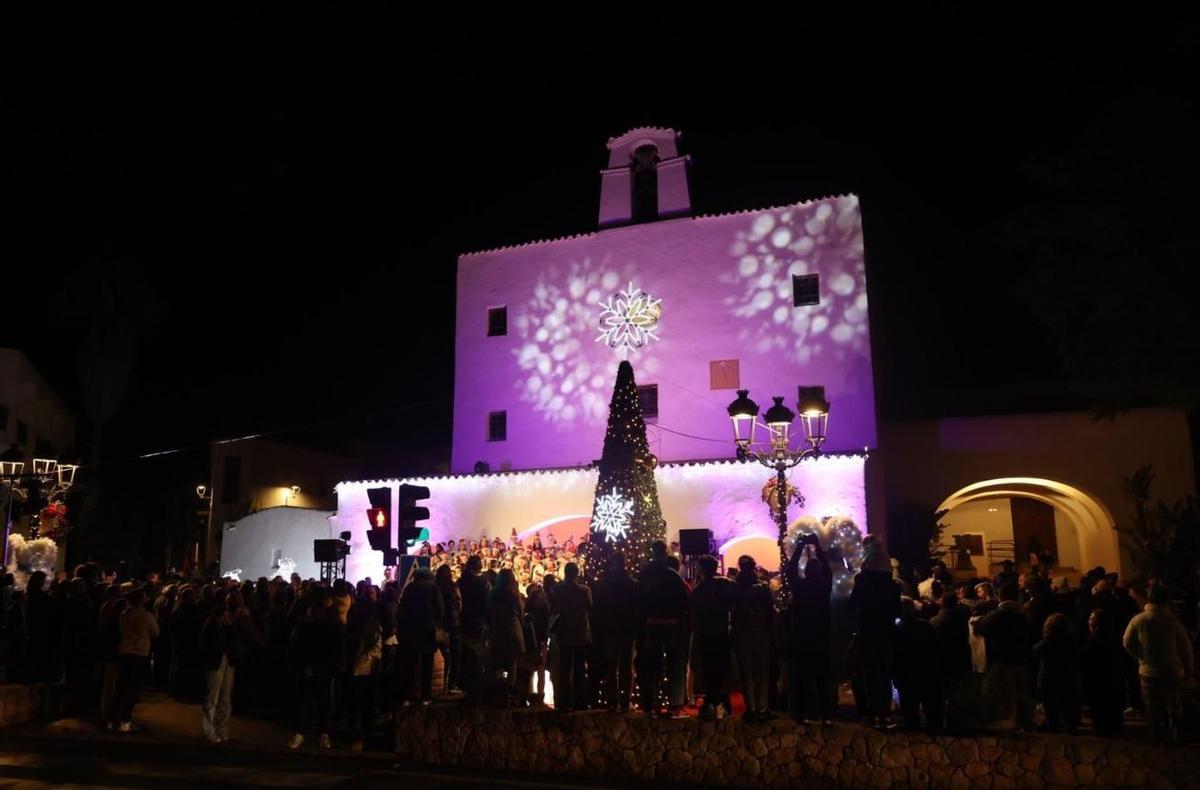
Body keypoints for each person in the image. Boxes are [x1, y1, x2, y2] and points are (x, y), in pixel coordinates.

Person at [1123, 581, 1194, 744]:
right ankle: (1176, 736)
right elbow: (1185, 647)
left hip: (1148, 671)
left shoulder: (1139, 620)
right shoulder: (1173, 621)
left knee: (1152, 706)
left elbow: (1127, 641)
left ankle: (1156, 737)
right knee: (1174, 705)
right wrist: (1188, 668)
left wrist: (1141, 656)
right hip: (1172, 669)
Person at [848, 536, 900, 728]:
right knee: (885, 673)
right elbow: (897, 609)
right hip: (886, 630)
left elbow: (852, 604)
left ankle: (871, 712)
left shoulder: (862, 580)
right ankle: (885, 714)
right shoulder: (892, 584)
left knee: (869, 672)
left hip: (867, 629)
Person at [637, 540, 691, 718]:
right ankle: (675, 705)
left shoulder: (644, 574)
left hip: (651, 624)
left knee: (653, 666)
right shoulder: (672, 575)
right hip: (671, 625)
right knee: (675, 666)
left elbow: (640, 600)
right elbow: (684, 600)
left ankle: (652, 705)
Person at [784, 533, 834, 723]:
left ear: (806, 571)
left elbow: (790, 570)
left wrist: (800, 547)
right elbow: (828, 569)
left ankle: (802, 714)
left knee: (802, 676)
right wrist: (816, 546)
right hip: (821, 635)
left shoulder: (800, 587)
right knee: (822, 677)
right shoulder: (824, 587)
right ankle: (826, 715)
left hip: (802, 636)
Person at [972, 583, 1034, 732]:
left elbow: (982, 628)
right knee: (1022, 693)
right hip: (1022, 658)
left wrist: (978, 622)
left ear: (999, 596)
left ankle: (1007, 722)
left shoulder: (999, 614)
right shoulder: (1023, 613)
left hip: (1004, 659)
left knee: (1005, 692)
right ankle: (1026, 722)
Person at [288, 586, 344, 749]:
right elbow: (336, 646)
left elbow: (299, 645)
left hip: (314, 667)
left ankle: (303, 733)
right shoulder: (330, 621)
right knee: (321, 702)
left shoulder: (307, 621)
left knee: (308, 701)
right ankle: (321, 733)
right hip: (321, 667)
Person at [691, 554, 736, 720]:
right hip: (722, 632)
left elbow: (695, 615)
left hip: (707, 635)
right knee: (723, 669)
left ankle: (712, 702)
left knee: (710, 670)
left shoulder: (698, 590)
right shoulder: (725, 584)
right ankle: (723, 702)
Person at [593, 553, 638, 712]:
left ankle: (612, 701)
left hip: (610, 629)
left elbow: (598, 608)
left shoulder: (605, 584)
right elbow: (636, 607)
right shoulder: (632, 584)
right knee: (626, 666)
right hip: (627, 629)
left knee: (612, 666)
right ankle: (625, 701)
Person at [732, 555, 774, 723]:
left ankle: (751, 708)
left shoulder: (735, 588)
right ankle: (762, 707)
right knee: (762, 671)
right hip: (760, 632)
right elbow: (769, 612)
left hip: (742, 633)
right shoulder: (762, 588)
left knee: (746, 672)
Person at [892, 596, 943, 732]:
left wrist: (895, 675)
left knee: (910, 711)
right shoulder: (926, 626)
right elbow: (935, 649)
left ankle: (914, 736)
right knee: (931, 708)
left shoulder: (897, 630)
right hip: (927, 672)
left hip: (906, 675)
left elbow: (894, 655)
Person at [113, 588, 159, 732]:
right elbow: (155, 632)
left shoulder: (123, 615)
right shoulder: (146, 616)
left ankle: (112, 719)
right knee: (133, 689)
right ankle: (125, 721)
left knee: (120, 688)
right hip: (139, 654)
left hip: (125, 653)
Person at [398, 568, 444, 707]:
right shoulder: (434, 588)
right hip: (427, 630)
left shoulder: (410, 588)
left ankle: (407, 696)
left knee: (410, 664)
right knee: (427, 664)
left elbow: (403, 608)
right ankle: (425, 696)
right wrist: (436, 622)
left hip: (411, 629)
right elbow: (440, 610)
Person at [930, 592, 974, 732]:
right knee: (959, 694)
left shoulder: (935, 621)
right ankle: (958, 721)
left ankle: (944, 721)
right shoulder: (962, 618)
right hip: (961, 659)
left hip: (942, 661)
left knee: (943, 693)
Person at [551, 562, 592, 712]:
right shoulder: (584, 590)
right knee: (580, 668)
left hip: (565, 632)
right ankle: (580, 701)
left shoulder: (557, 589)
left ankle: (564, 702)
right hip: (580, 632)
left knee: (565, 667)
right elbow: (590, 608)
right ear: (576, 573)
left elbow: (554, 608)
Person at [199, 591, 239, 743]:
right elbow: (208, 643)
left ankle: (222, 730)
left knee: (225, 698)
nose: (225, 618)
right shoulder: (212, 627)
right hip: (216, 661)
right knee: (213, 697)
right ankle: (210, 731)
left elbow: (233, 641)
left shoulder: (227, 626)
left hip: (226, 661)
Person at [1033, 612, 1080, 734]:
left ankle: (1053, 729)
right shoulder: (1072, 639)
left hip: (1049, 677)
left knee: (1050, 706)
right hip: (1067, 675)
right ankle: (1071, 728)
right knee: (1066, 705)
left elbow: (1035, 651)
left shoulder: (1048, 641)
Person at [1081, 608, 1125, 736]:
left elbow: (1085, 660)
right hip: (1113, 679)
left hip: (1099, 681)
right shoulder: (1114, 637)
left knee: (1101, 712)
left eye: (1091, 619)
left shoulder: (1093, 640)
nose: (1088, 621)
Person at [488, 568, 525, 706]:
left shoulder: (494, 594)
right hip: (514, 631)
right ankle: (508, 692)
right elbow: (521, 614)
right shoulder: (515, 595)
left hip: (499, 631)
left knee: (495, 662)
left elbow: (488, 612)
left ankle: (497, 690)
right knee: (512, 663)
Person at [457, 556, 491, 704]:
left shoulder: (460, 582)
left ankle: (467, 690)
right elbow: (488, 605)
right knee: (478, 659)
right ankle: (477, 691)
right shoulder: (483, 583)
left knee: (466, 657)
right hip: (478, 624)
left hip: (464, 623)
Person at [434, 564, 463, 694]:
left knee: (442, 655)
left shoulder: (436, 588)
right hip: (454, 625)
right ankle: (451, 684)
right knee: (455, 655)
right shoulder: (453, 587)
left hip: (440, 626)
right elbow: (459, 603)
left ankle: (440, 686)